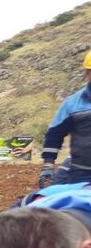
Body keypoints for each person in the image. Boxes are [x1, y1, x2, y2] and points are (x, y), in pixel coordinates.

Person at [38, 50, 91, 187]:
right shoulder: (72, 103)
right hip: (81, 173)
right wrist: (48, 166)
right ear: (87, 73)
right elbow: (55, 134)